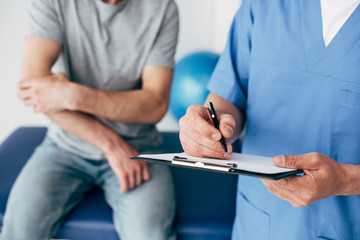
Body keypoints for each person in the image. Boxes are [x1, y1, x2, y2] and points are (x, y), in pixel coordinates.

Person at [179, 0, 360, 239]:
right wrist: (209, 127)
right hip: (259, 221)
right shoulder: (261, 6)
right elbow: (230, 97)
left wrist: (346, 181)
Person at [0, 0, 178, 239]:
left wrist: (75, 96)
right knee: (17, 233)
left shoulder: (162, 8)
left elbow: (155, 105)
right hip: (65, 146)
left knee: (149, 235)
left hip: (139, 147)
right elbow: (34, 88)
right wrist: (110, 143)